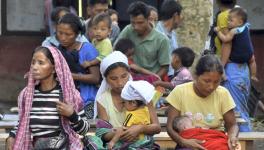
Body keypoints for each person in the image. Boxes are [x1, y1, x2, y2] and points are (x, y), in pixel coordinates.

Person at [6, 46, 90, 150]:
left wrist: (72, 115)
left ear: (55, 68)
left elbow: (84, 130)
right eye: (33, 62)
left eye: (41, 63)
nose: (35, 67)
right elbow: (22, 124)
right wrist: (11, 136)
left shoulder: (69, 94)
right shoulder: (27, 95)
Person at [84, 51, 161, 149]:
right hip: (116, 144)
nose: (120, 83)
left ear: (129, 74)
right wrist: (120, 133)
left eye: (124, 76)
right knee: (91, 141)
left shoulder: (141, 94)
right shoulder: (103, 100)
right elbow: (102, 133)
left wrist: (140, 128)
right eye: (113, 78)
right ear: (106, 79)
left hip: (141, 144)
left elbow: (157, 127)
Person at [166, 55, 239, 150]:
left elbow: (232, 125)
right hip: (188, 142)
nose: (211, 87)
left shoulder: (223, 93)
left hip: (215, 141)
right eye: (207, 81)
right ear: (195, 76)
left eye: (216, 82)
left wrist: (232, 137)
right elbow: (170, 128)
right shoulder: (180, 92)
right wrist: (184, 142)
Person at [56, 13, 100, 119]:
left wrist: (70, 76)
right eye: (60, 33)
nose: (63, 38)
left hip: (87, 101)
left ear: (77, 34)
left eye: (68, 34)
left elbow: (95, 78)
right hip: (66, 102)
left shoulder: (87, 49)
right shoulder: (58, 50)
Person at [115, 1, 170, 79]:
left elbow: (165, 67)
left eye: (140, 23)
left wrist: (152, 80)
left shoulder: (162, 40)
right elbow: (115, 51)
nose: (136, 27)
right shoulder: (128, 30)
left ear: (148, 19)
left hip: (152, 82)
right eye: (133, 23)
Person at [108, 80, 156, 149]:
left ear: (133, 103)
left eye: (124, 102)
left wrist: (112, 142)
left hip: (136, 142)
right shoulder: (146, 109)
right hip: (146, 140)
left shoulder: (131, 115)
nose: (123, 105)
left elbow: (122, 130)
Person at [214, 7, 257, 81]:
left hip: (237, 56)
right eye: (228, 20)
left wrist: (218, 32)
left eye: (231, 20)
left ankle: (223, 74)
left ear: (240, 22)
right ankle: (253, 75)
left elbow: (225, 39)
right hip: (249, 54)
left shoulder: (234, 31)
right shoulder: (246, 26)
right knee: (252, 61)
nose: (228, 22)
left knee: (224, 60)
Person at [156, 0, 182, 80]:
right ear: (175, 15)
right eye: (180, 15)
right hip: (158, 79)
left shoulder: (173, 34)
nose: (181, 18)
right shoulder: (156, 32)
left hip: (171, 77)